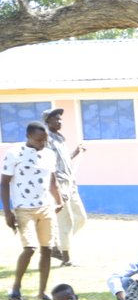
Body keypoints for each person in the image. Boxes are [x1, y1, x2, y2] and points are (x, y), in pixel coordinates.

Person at [2, 120, 62, 300]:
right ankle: (16, 288)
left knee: (47, 249)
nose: (42, 143)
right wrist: (7, 211)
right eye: (38, 140)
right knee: (29, 248)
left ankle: (42, 292)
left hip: (46, 207)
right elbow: (4, 183)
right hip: (23, 208)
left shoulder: (49, 155)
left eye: (45, 140)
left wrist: (58, 200)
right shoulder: (13, 153)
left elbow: (52, 181)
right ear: (28, 136)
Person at [43, 108, 86, 266]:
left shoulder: (60, 139)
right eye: (56, 119)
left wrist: (76, 152)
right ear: (47, 122)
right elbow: (48, 165)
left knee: (81, 218)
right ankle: (66, 258)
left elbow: (64, 161)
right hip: (59, 183)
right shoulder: (46, 139)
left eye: (60, 119)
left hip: (70, 182)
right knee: (65, 220)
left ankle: (58, 247)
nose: (60, 121)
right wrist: (56, 189)